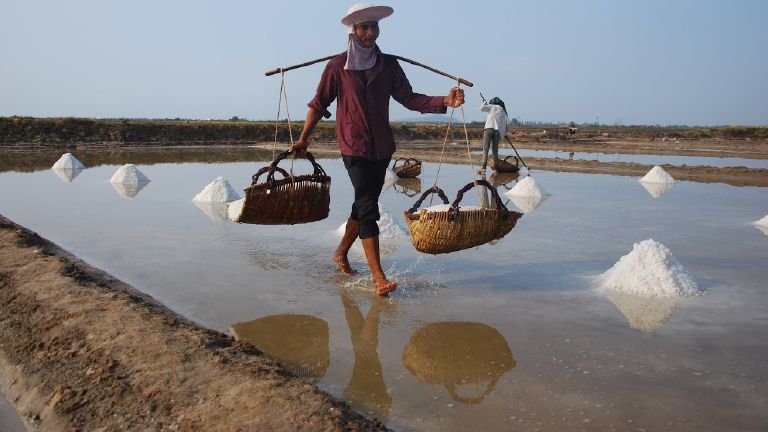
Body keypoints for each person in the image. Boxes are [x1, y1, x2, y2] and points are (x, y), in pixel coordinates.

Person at [290, 3, 465, 296]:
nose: (371, 33)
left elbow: (409, 99)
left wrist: (444, 101)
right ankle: (378, 277)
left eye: (374, 27)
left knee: (363, 204)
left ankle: (340, 253)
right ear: (353, 31)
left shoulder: (388, 66)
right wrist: (303, 138)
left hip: (382, 147)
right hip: (353, 145)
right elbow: (319, 104)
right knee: (369, 208)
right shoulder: (337, 67)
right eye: (364, 27)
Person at [479, 95, 509, 175]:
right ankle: (496, 169)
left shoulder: (491, 107)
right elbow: (505, 124)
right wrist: (504, 133)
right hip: (497, 132)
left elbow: (481, 108)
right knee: (495, 150)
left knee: (485, 148)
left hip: (489, 129)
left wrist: (483, 102)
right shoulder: (503, 111)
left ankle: (483, 168)